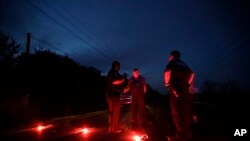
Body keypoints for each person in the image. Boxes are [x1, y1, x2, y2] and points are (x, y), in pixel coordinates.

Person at [164, 50, 195, 141]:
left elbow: (167, 72)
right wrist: (188, 84)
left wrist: (167, 84)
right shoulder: (183, 64)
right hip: (186, 90)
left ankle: (179, 135)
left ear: (172, 56)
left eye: (169, 56)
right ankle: (188, 134)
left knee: (176, 112)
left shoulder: (172, 63)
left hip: (176, 90)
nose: (168, 57)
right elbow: (192, 74)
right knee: (186, 112)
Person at [106, 61, 125, 133]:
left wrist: (123, 89)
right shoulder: (111, 72)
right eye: (118, 66)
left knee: (116, 111)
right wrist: (122, 80)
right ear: (115, 66)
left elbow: (120, 83)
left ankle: (113, 128)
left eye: (119, 66)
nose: (119, 67)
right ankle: (113, 128)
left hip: (116, 95)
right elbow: (114, 82)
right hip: (111, 94)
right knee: (113, 111)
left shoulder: (118, 74)